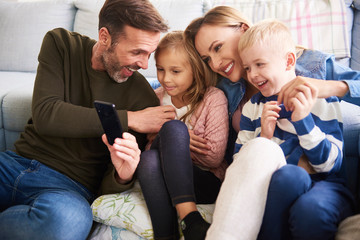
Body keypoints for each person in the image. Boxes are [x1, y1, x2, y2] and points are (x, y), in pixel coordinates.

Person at [0, 0, 175, 239]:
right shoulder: (61, 44)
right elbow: (46, 114)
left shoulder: (141, 95)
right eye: (137, 52)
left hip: (67, 190)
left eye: (149, 54)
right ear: (105, 37)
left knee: (65, 225)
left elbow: (105, 184)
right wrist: (130, 119)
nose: (144, 65)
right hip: (15, 164)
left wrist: (122, 176)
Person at [184, 5, 360, 240]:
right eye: (207, 58)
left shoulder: (312, 64)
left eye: (218, 47)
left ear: (243, 30)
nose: (215, 63)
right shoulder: (225, 89)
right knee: (287, 176)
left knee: (304, 195)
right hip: (264, 180)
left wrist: (329, 87)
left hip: (321, 167)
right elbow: (236, 159)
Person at [238, 19, 352, 239]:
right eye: (247, 68)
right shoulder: (252, 109)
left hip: (326, 185)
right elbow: (240, 167)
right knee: (289, 176)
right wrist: (264, 138)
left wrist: (303, 121)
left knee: (311, 211)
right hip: (276, 185)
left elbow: (330, 166)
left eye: (260, 64)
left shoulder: (321, 99)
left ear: (289, 61)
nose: (252, 74)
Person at [137, 31, 229, 240]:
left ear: (195, 70)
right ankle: (167, 234)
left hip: (204, 181)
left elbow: (213, 157)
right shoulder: (156, 97)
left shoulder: (213, 98)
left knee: (173, 130)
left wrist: (177, 141)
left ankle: (190, 217)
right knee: (148, 159)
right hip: (163, 178)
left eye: (175, 71)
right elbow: (148, 149)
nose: (165, 78)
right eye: (160, 69)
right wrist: (173, 142)